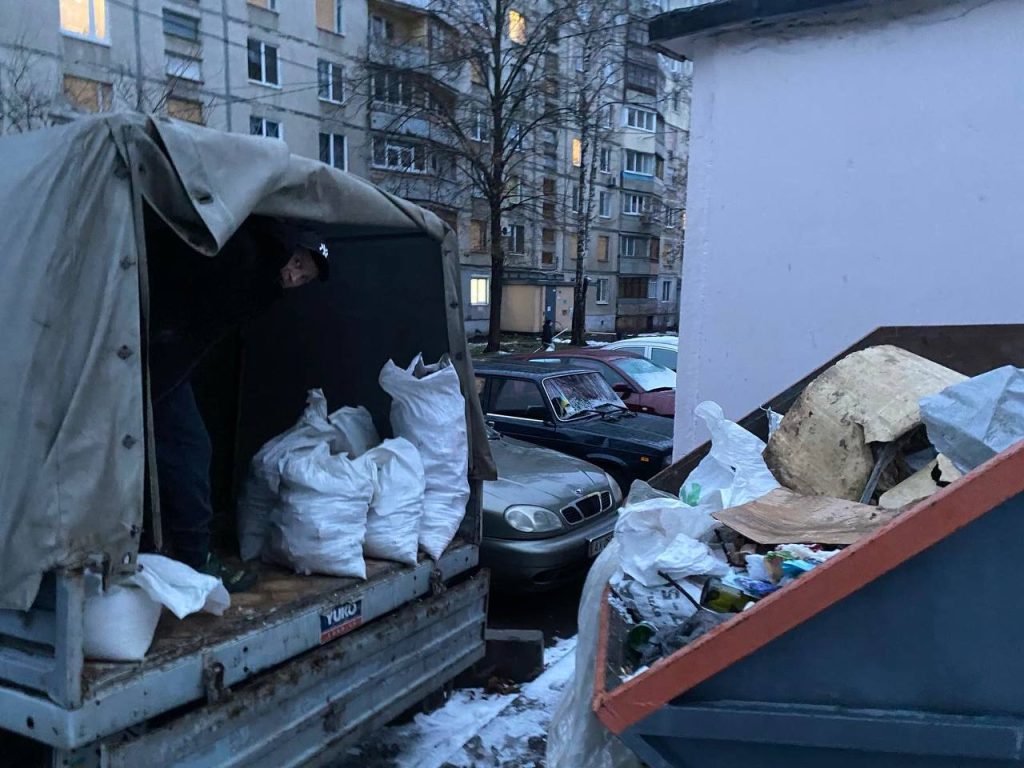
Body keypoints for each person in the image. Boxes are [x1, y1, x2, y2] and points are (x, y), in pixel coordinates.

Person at [146, 215, 329, 591]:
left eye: (305, 278)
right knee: (190, 449)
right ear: (287, 247)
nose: (295, 277)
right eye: (297, 264)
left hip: (164, 363)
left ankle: (170, 551)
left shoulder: (263, 282)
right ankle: (195, 560)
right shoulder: (244, 255)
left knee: (181, 451)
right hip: (148, 359)